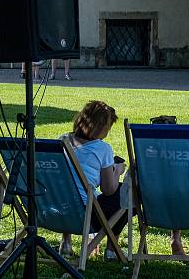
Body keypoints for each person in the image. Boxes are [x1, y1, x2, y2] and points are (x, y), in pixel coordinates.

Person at [60, 100, 126, 259]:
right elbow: (109, 189)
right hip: (84, 216)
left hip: (57, 211)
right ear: (101, 126)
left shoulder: (63, 140)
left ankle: (66, 243)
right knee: (128, 192)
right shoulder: (102, 148)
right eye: (108, 127)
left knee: (68, 189)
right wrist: (117, 171)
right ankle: (111, 249)